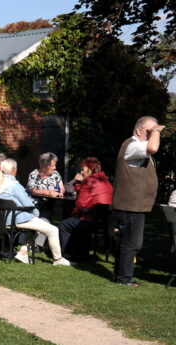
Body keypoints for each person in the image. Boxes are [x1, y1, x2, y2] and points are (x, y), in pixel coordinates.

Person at [112, 116, 164, 286]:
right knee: (132, 242)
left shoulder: (137, 147)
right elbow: (153, 147)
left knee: (126, 241)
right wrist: (157, 131)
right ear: (139, 130)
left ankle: (120, 276)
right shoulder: (133, 145)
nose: (154, 134)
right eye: (150, 130)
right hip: (131, 206)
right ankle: (124, 279)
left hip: (133, 205)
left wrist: (154, 130)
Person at [0, 158, 73, 266]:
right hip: (18, 219)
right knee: (53, 230)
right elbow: (28, 204)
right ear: (13, 170)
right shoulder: (14, 185)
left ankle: (23, 252)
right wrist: (35, 214)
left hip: (3, 220)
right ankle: (58, 259)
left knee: (37, 227)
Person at [59, 157, 113, 260]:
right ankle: (82, 252)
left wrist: (75, 213)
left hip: (90, 219)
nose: (82, 172)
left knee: (64, 224)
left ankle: (66, 255)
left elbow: (80, 204)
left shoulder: (89, 181)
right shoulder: (106, 180)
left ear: (90, 168)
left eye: (83, 169)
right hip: (105, 221)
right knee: (75, 221)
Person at [26, 152, 64, 221]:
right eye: (52, 166)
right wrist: (48, 192)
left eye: (55, 165)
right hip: (34, 206)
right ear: (44, 166)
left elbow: (61, 187)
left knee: (44, 223)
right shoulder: (34, 174)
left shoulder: (55, 174)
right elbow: (33, 190)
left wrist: (61, 191)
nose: (55, 168)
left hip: (48, 206)